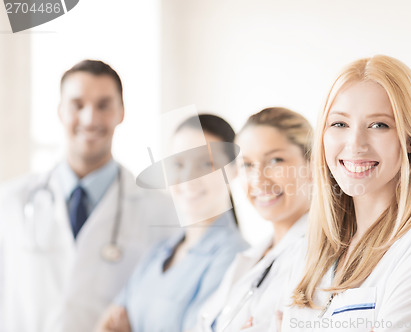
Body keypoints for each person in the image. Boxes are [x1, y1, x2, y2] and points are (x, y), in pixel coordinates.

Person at [281, 55, 411, 331]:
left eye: (379, 125)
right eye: (339, 124)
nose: (355, 145)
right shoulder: (309, 250)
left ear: (410, 140)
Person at [0, 60, 176, 332]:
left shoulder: (160, 211)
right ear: (60, 111)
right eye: (77, 105)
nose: (90, 118)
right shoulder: (11, 201)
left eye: (104, 105)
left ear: (121, 113)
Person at [95, 114, 249, 332]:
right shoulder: (159, 251)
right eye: (178, 163)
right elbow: (108, 323)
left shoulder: (237, 259)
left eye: (206, 163)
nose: (188, 176)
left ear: (233, 170)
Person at [194, 107, 313, 332]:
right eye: (247, 165)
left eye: (275, 160)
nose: (259, 179)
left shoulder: (320, 256)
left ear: (312, 165)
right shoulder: (253, 256)